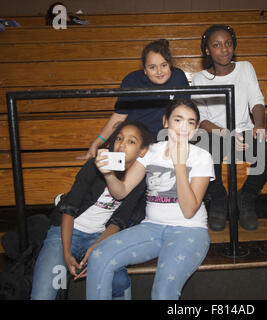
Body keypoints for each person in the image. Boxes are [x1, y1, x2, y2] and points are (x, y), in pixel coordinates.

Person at [86, 99, 214, 300]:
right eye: (177, 120)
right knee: (98, 257)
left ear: (196, 128)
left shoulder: (201, 156)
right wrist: (109, 175)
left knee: (163, 293)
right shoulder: (151, 151)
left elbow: (189, 210)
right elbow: (122, 191)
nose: (183, 127)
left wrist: (179, 164)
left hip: (189, 230)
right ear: (165, 122)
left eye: (190, 122)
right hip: (152, 227)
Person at [30, 121, 155, 300]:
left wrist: (97, 247)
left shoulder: (138, 179)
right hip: (65, 233)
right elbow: (69, 209)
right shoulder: (94, 166)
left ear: (142, 151)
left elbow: (119, 221)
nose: (122, 144)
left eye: (131, 141)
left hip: (100, 237)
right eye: (119, 138)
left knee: (119, 282)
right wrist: (66, 254)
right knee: (45, 292)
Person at [192, 24, 267, 231]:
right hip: (216, 135)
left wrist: (260, 126)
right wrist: (226, 133)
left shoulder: (245, 67)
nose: (224, 49)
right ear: (207, 50)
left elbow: (256, 100)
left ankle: (246, 197)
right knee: (200, 144)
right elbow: (201, 118)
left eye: (228, 43)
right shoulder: (199, 78)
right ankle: (219, 198)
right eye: (216, 45)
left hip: (244, 133)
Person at [79, 39, 189, 160]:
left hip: (162, 140)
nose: (159, 71)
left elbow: (183, 115)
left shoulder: (178, 78)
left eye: (164, 65)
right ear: (145, 70)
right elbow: (119, 116)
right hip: (132, 138)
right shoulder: (132, 80)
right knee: (97, 166)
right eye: (152, 67)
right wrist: (96, 144)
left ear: (170, 65)